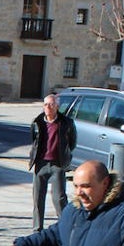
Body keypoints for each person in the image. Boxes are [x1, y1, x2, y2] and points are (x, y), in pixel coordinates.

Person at [28, 93, 76, 233]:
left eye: (51, 104)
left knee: (59, 198)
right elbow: (34, 140)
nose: (48, 107)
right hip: (41, 163)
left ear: (57, 107)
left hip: (58, 164)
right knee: (38, 198)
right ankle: (37, 229)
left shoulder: (66, 123)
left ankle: (65, 226)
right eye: (46, 104)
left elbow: (72, 143)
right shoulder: (37, 122)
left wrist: (64, 156)